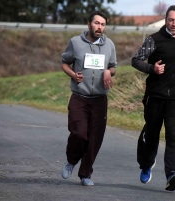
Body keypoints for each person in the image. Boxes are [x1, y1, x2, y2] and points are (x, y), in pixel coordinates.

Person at [131, 5, 175, 191]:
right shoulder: (154, 39)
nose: (174, 23)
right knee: (151, 134)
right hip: (155, 97)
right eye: (171, 20)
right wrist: (152, 68)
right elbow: (136, 60)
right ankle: (146, 164)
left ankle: (173, 173)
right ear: (166, 20)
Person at [60, 10, 117, 186]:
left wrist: (108, 71)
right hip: (80, 96)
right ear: (89, 24)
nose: (100, 27)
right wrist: (72, 74)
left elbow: (113, 67)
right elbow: (64, 62)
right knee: (79, 133)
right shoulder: (76, 43)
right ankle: (71, 161)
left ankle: (85, 175)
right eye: (96, 23)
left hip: (100, 99)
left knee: (94, 139)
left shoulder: (109, 45)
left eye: (103, 24)